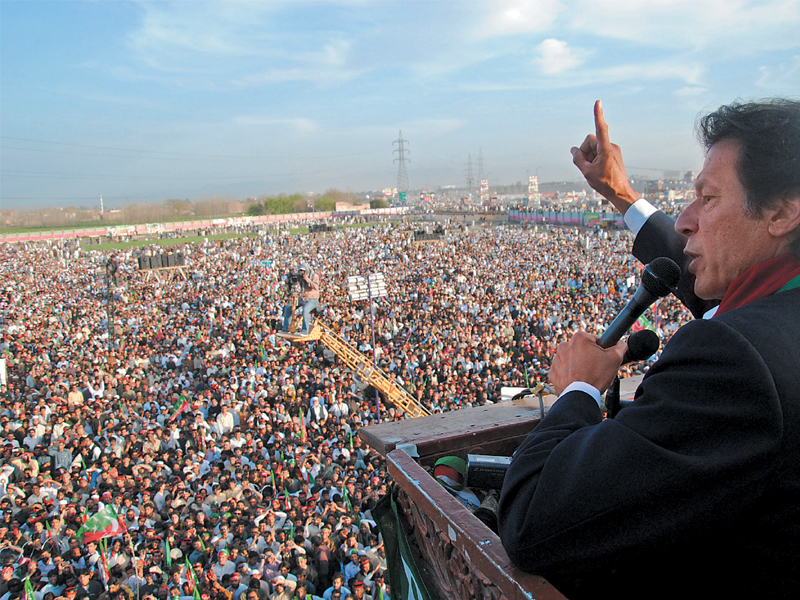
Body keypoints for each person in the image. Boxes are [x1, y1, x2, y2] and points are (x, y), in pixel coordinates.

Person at [498, 99, 800, 600]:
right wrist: (621, 195)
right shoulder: (776, 313)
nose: (684, 221)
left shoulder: (734, 357)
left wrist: (577, 390)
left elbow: (533, 521)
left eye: (707, 199)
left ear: (781, 213)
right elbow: (711, 283)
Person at [282, 264, 320, 336]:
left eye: (304, 271)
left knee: (305, 310)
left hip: (312, 299)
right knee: (288, 307)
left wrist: (307, 279)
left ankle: (305, 330)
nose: (303, 273)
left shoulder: (314, 276)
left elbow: (315, 287)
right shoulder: (301, 277)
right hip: (303, 298)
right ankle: (286, 327)